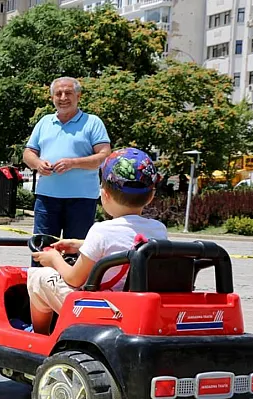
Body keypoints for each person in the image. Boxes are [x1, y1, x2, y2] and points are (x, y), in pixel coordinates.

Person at [26, 148, 166, 335]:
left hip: (102, 309)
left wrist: (53, 259)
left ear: (104, 194)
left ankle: (41, 336)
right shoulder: (159, 230)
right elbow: (127, 245)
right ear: (150, 196)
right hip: (137, 305)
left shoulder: (101, 230)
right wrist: (81, 245)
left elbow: (74, 279)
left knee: (37, 276)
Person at [23, 77, 112, 242]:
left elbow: (104, 155)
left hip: (82, 199)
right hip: (46, 198)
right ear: (52, 98)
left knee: (76, 253)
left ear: (78, 96)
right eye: (58, 94)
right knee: (43, 249)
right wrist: (38, 164)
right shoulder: (44, 122)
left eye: (68, 93)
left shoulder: (92, 122)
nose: (63, 98)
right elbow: (28, 153)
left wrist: (73, 163)